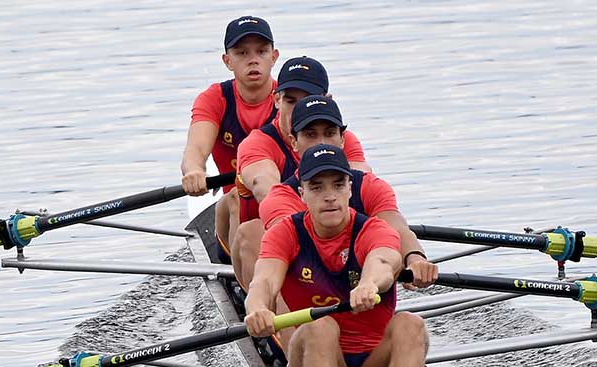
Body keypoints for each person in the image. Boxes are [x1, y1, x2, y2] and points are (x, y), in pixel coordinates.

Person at [244, 144, 430, 367]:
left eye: (337, 185)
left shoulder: (374, 230)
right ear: (301, 194)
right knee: (321, 327)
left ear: (349, 190)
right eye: (316, 187)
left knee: (411, 324)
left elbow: (384, 261)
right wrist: (257, 310)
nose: (329, 195)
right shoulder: (285, 233)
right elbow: (262, 282)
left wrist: (370, 284)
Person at [259, 95, 439, 289]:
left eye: (329, 133)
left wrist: (413, 258)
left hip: (366, 281)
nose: (322, 143)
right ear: (294, 141)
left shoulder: (370, 186)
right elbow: (288, 247)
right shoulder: (280, 197)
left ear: (342, 139)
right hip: (309, 287)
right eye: (311, 135)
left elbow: (396, 228)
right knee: (251, 233)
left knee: (411, 321)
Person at [231, 56, 370, 287]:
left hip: (333, 242)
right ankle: (266, 310)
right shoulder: (257, 144)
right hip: (275, 245)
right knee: (249, 230)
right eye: (291, 101)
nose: (300, 110)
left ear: (326, 101)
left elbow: (364, 183)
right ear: (277, 100)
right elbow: (266, 189)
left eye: (309, 100)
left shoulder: (345, 141)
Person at [180, 15, 279, 262]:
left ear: (274, 56)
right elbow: (196, 148)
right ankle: (244, 280)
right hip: (237, 210)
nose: (253, 59)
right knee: (236, 196)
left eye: (261, 51)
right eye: (242, 53)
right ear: (227, 61)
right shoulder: (215, 99)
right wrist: (194, 171)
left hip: (281, 206)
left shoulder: (288, 101)